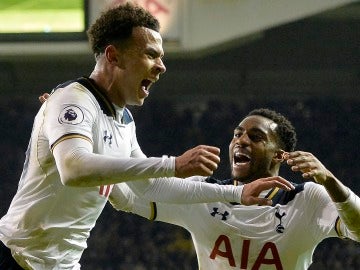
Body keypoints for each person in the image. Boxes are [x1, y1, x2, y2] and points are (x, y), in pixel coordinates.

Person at [0, 4, 295, 270]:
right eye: (151, 54)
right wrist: (173, 164)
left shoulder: (124, 120)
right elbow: (74, 169)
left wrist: (237, 194)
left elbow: (149, 188)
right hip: (17, 257)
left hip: (61, 265)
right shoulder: (73, 100)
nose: (162, 66)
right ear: (113, 56)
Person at [112, 108, 360, 269]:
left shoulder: (307, 199)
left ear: (279, 156)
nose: (241, 141)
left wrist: (328, 179)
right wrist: (96, 169)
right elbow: (128, 199)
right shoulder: (202, 194)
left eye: (255, 137)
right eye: (237, 134)